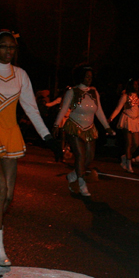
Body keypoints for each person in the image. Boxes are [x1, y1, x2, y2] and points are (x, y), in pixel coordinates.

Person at [0, 30, 61, 266]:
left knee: (8, 195)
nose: (9, 51)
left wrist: (48, 137)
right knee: (0, 188)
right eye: (4, 46)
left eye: (12, 47)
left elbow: (31, 109)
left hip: (10, 133)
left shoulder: (21, 75)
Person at [52, 64, 114, 197]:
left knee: (89, 157)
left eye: (91, 77)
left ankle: (74, 174)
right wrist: (56, 124)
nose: (89, 79)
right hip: (74, 126)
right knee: (80, 155)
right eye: (86, 76)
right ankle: (81, 183)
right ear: (80, 77)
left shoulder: (94, 92)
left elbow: (99, 111)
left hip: (90, 128)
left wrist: (107, 127)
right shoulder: (72, 92)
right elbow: (63, 109)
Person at [110, 78, 139, 173]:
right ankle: (128, 164)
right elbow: (118, 108)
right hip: (127, 119)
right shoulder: (125, 96)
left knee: (136, 143)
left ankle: (126, 157)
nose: (136, 86)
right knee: (129, 143)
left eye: (137, 85)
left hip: (135, 121)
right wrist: (111, 118)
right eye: (134, 84)